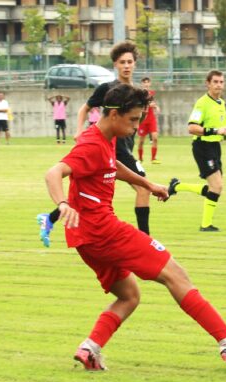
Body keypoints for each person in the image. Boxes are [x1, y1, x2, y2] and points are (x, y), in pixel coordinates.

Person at [44, 84, 226, 371]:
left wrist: (147, 183)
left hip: (85, 240)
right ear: (114, 114)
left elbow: (110, 165)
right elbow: (54, 172)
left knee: (129, 296)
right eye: (132, 120)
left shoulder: (103, 138)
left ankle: (90, 348)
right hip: (104, 231)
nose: (136, 126)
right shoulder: (91, 143)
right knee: (175, 274)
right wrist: (63, 203)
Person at [37, 41, 152, 247]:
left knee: (88, 196)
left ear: (135, 64)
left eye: (130, 62)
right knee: (144, 188)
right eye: (122, 62)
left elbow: (137, 121)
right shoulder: (108, 89)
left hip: (123, 148)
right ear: (115, 65)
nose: (126, 66)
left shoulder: (135, 93)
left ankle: (50, 218)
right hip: (111, 149)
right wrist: (79, 131)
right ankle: (146, 239)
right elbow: (85, 108)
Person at [168, 70, 226, 232]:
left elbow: (219, 128)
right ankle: (206, 225)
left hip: (215, 148)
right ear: (207, 83)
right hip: (203, 147)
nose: (219, 85)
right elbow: (192, 128)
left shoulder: (221, 103)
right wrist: (215, 131)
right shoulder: (202, 103)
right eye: (215, 82)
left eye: (221, 82)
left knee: (215, 187)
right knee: (217, 186)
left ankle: (178, 186)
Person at [137, 77, 160, 164]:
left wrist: (157, 107)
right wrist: (149, 105)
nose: (146, 84)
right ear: (142, 84)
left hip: (151, 119)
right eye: (144, 82)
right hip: (143, 120)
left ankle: (153, 158)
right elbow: (140, 104)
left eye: (148, 82)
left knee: (155, 138)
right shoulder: (139, 94)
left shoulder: (151, 94)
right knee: (141, 141)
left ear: (150, 83)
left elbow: (153, 103)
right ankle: (140, 159)